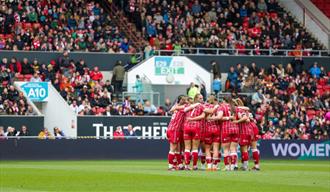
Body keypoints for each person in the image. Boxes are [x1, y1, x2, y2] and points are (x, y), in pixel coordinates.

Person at [183, 93, 205, 170]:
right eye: (200, 98)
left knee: (187, 147)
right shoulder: (202, 106)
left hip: (187, 126)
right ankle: (194, 166)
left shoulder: (187, 106)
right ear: (196, 99)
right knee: (195, 148)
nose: (202, 100)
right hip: (196, 126)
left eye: (202, 98)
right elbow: (203, 116)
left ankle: (186, 166)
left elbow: (182, 109)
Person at [166, 95, 187, 170]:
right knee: (173, 148)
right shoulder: (182, 108)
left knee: (177, 148)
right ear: (180, 100)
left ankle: (180, 165)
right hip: (174, 129)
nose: (185, 101)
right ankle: (170, 166)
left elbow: (172, 109)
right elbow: (188, 107)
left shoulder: (175, 106)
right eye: (183, 100)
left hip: (171, 128)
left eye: (185, 100)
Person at [203, 95, 221, 170]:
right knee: (216, 148)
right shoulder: (218, 107)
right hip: (216, 128)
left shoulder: (205, 106)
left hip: (208, 129)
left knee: (207, 148)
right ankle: (214, 166)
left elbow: (203, 116)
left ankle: (209, 165)